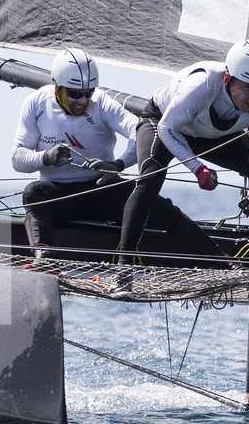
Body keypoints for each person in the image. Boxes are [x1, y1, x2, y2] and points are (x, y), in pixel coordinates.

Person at [14, 48, 222, 263]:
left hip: (100, 189)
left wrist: (118, 164)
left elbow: (139, 131)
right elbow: (17, 158)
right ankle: (42, 258)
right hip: (61, 196)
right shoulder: (36, 103)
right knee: (34, 192)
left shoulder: (101, 103)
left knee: (154, 202)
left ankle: (220, 258)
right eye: (74, 94)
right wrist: (45, 157)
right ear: (57, 86)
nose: (82, 101)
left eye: (88, 93)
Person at [117, 39, 249, 263]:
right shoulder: (203, 85)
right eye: (248, 87)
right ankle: (123, 266)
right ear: (228, 79)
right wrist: (198, 169)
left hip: (207, 135)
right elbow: (166, 129)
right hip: (163, 123)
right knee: (151, 178)